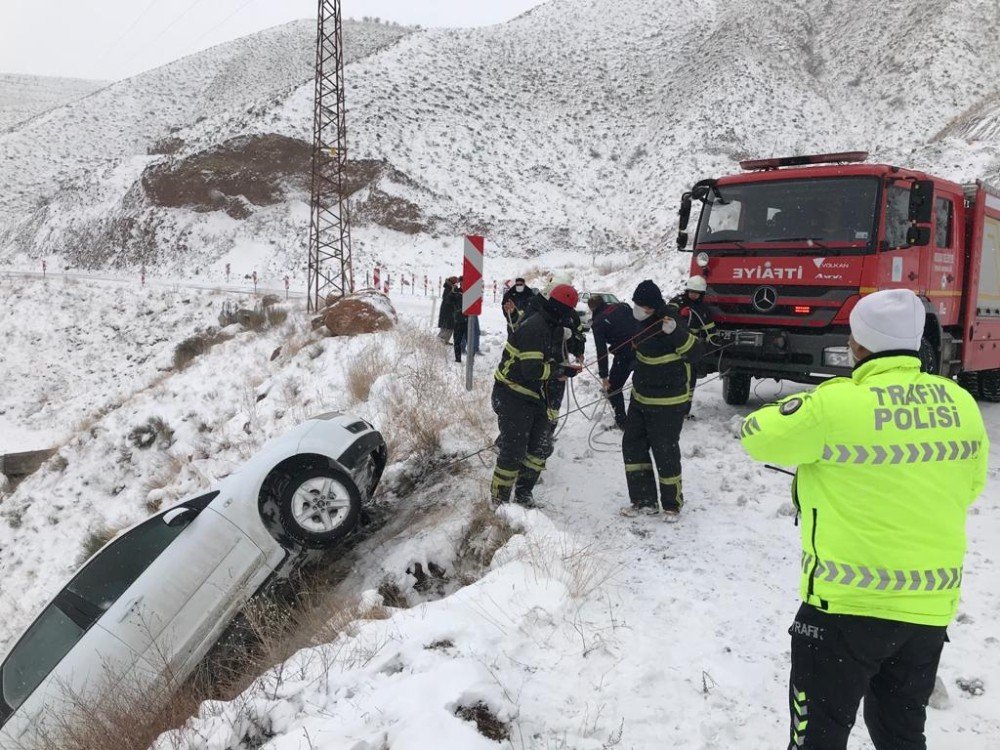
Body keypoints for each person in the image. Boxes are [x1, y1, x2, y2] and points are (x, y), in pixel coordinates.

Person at [739, 288, 988, 750]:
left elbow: (756, 436)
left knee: (818, 736)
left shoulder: (835, 405)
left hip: (843, 608)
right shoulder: (960, 404)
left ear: (858, 345)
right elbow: (969, 486)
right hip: (926, 610)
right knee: (901, 734)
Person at [491, 284, 582, 507]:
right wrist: (560, 371)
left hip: (531, 396)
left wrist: (562, 363)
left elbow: (544, 359)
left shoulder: (549, 324)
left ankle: (523, 495)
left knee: (542, 447)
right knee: (513, 451)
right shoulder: (536, 327)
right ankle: (499, 502)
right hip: (511, 392)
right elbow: (531, 370)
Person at [620, 280, 700, 519]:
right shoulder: (640, 323)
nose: (638, 309)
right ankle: (644, 501)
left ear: (653, 306)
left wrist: (675, 333)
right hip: (640, 398)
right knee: (632, 447)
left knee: (665, 451)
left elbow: (696, 353)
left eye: (642, 305)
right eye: (636, 304)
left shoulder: (671, 322)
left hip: (667, 402)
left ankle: (672, 504)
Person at [668, 275, 720, 412]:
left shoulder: (703, 309)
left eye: (696, 293)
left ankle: (685, 410)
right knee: (672, 376)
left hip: (691, 346)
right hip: (673, 344)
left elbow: (709, 328)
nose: (693, 295)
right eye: (691, 292)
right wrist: (679, 312)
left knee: (690, 379)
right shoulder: (678, 301)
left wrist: (713, 340)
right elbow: (666, 314)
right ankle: (669, 406)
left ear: (701, 294)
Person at [588, 294, 638, 429]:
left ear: (592, 309)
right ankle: (642, 417)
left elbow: (601, 351)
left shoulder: (598, 322)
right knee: (642, 384)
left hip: (625, 356)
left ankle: (622, 421)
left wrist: (604, 376)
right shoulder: (622, 306)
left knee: (613, 388)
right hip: (643, 347)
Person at [437, 277, 459, 343]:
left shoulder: (452, 289)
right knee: (446, 328)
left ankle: (445, 341)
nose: (456, 284)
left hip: (450, 311)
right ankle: (439, 341)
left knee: (450, 328)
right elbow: (448, 300)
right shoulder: (448, 289)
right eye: (456, 283)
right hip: (446, 312)